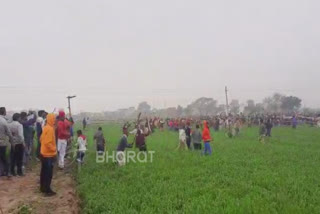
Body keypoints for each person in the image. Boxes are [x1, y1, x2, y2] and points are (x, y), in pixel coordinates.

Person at [40, 113, 57, 196]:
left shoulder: (45, 127)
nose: (55, 120)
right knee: (48, 173)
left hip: (43, 154)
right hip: (48, 155)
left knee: (43, 172)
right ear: (51, 119)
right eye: (54, 118)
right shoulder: (50, 129)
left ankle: (43, 188)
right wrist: (54, 149)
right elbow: (47, 143)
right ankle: (47, 190)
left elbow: (41, 139)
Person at [0, 107, 13, 176]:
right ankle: (7, 172)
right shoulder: (4, 121)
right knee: (3, 157)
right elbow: (8, 132)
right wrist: (11, 140)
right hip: (2, 142)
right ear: (4, 112)